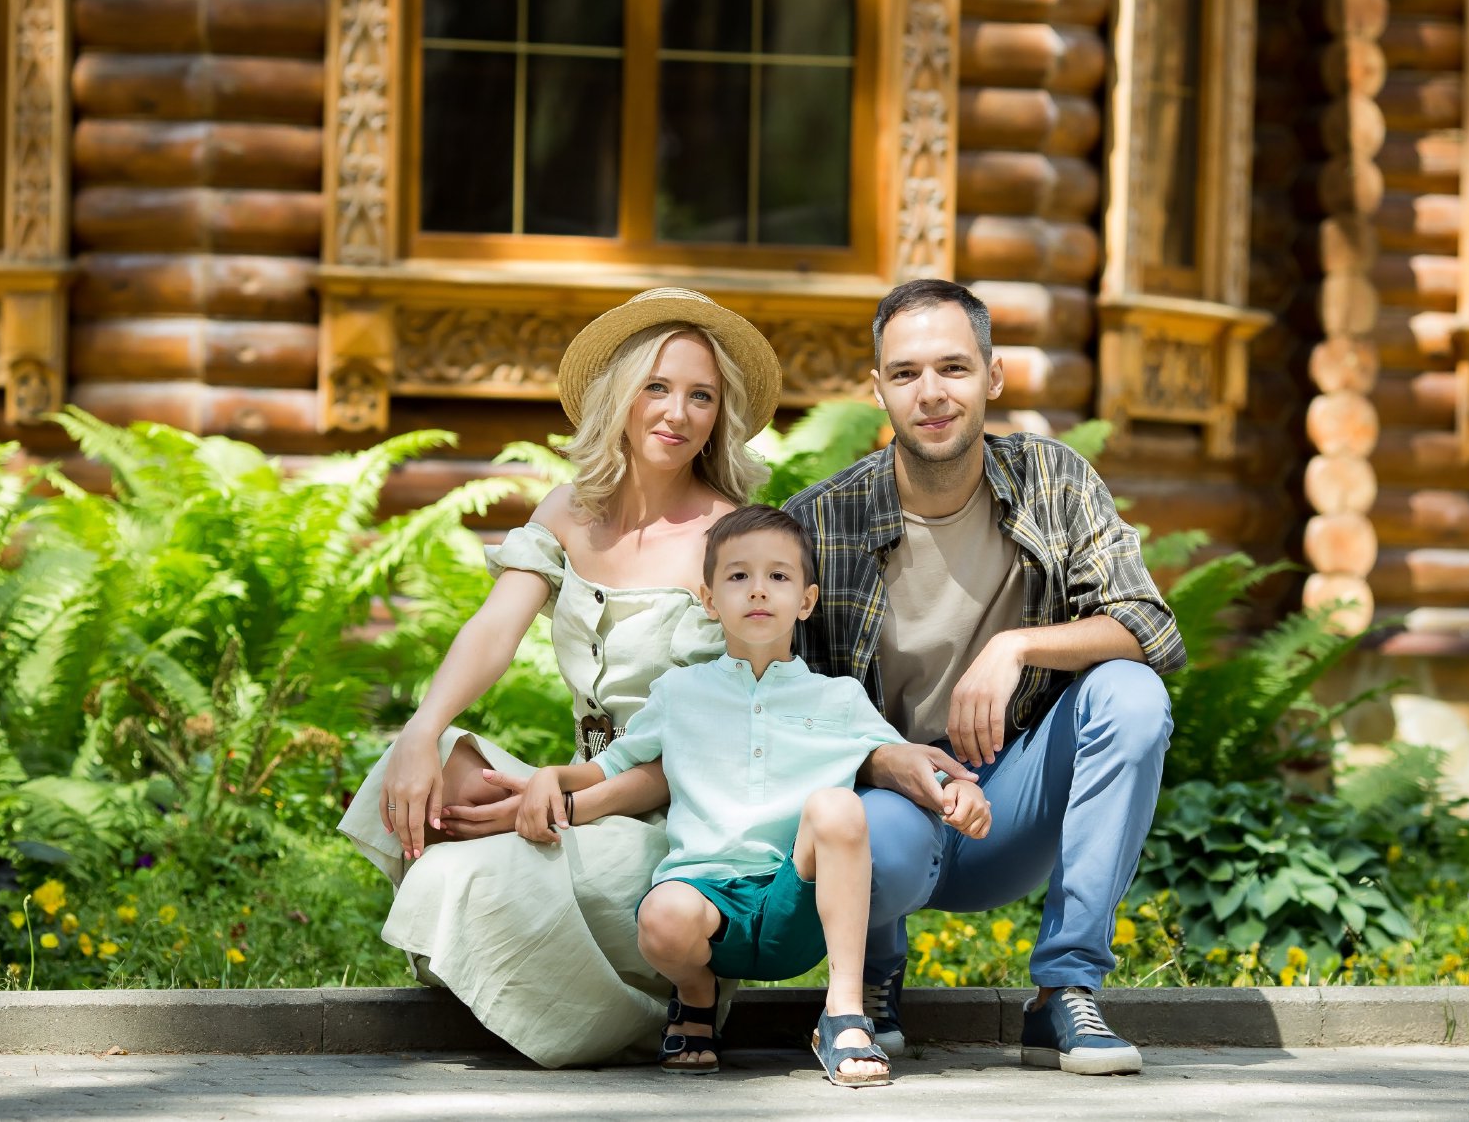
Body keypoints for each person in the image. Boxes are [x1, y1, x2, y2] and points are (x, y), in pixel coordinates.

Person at [337, 287, 783, 1067]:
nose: (676, 412)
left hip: (672, 821)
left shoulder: (734, 539)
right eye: (656, 386)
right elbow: (492, 631)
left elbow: (709, 750)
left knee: (471, 869)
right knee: (425, 765)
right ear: (621, 395)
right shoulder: (571, 510)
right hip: (574, 787)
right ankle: (533, 959)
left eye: (701, 395)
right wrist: (420, 731)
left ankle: (644, 996)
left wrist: (561, 803)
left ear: (720, 416)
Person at [784, 279, 1186, 1076]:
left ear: (992, 376)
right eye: (905, 373)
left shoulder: (1053, 480)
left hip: (1011, 805)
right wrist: (883, 760)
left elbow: (1151, 625)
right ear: (877, 389)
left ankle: (1064, 991)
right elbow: (776, 703)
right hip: (889, 809)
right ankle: (872, 974)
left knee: (1133, 694)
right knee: (856, 818)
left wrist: (1017, 646)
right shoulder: (819, 521)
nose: (931, 393)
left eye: (953, 368)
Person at [521, 506, 991, 1085]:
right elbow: (611, 766)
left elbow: (901, 761)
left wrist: (954, 790)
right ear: (709, 600)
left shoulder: (839, 698)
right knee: (661, 917)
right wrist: (551, 778)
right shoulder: (678, 692)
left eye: (779, 576)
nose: (759, 590)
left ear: (807, 600)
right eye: (738, 575)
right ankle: (696, 995)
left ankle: (844, 1013)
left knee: (838, 805)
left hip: (796, 899)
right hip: (704, 896)